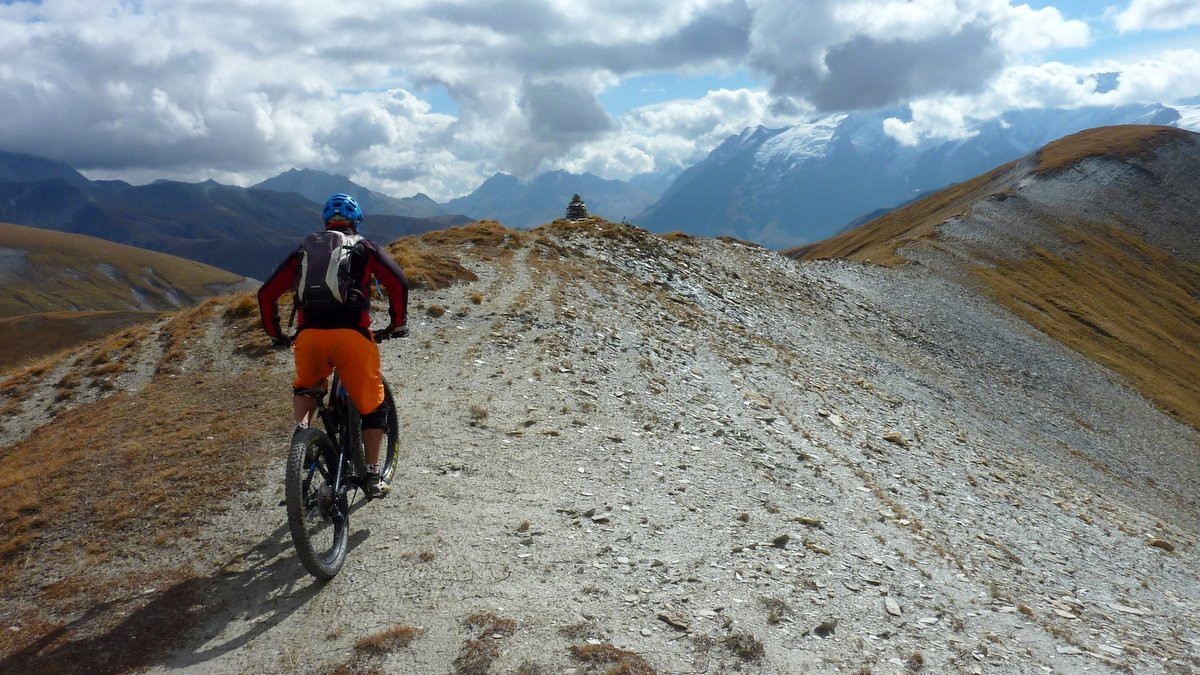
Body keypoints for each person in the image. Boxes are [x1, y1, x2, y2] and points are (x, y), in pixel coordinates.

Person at [257, 193, 409, 498]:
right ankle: (374, 475)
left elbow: (266, 294)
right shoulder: (366, 247)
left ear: (326, 222)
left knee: (306, 389)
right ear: (356, 221)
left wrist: (277, 334)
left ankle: (302, 445)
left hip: (310, 335)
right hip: (352, 335)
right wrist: (397, 323)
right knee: (374, 406)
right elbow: (398, 284)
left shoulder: (304, 250)